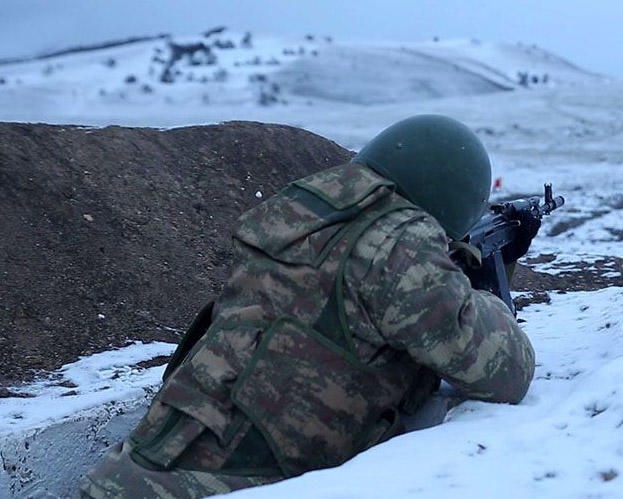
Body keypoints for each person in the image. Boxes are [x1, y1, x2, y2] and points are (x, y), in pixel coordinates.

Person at [79, 114, 536, 498]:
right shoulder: (400, 247)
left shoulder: (301, 212)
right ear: (452, 196)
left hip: (126, 473)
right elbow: (505, 372)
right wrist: (476, 285)